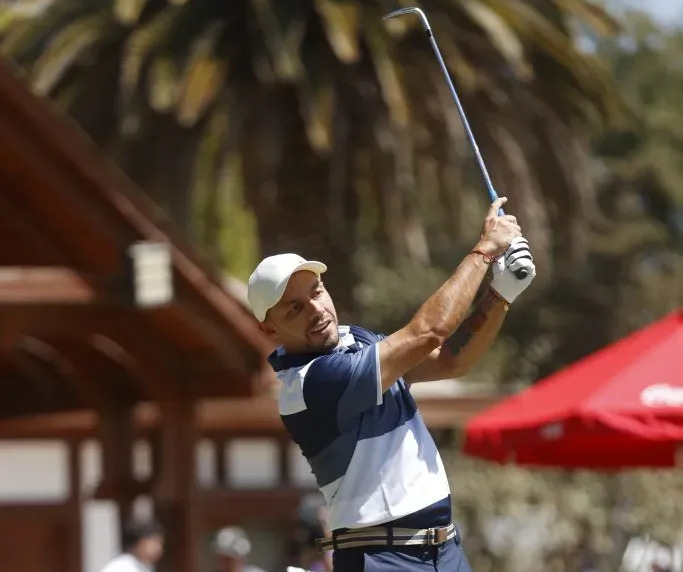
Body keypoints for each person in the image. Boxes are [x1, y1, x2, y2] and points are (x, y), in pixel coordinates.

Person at [246, 197, 536, 572]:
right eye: (295, 309)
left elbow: (451, 359)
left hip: (445, 549)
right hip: (382, 559)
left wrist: (501, 294)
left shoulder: (357, 341)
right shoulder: (308, 383)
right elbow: (428, 332)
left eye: (316, 292)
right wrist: (484, 251)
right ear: (270, 330)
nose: (316, 310)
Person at [100, 518, 165, 572]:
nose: (159, 548)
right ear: (138, 544)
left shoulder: (144, 567)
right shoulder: (122, 567)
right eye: (154, 543)